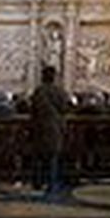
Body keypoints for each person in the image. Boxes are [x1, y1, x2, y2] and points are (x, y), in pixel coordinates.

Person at [29, 64, 70, 197]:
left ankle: (37, 183)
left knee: (38, 157)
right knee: (53, 157)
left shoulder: (38, 91)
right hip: (55, 128)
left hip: (39, 127)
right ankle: (52, 183)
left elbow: (33, 109)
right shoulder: (59, 91)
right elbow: (65, 108)